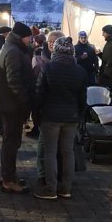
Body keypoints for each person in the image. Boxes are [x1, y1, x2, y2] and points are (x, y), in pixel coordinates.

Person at [33, 37, 86, 200]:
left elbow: (39, 93)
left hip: (50, 117)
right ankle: (66, 188)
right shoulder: (80, 71)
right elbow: (82, 98)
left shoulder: (48, 68)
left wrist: (36, 114)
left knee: (50, 152)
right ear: (72, 52)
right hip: (71, 117)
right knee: (68, 152)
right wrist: (79, 116)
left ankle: (51, 189)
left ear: (55, 50)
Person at [0, 22, 34, 194]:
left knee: (11, 142)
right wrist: (25, 100)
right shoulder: (13, 51)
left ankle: (9, 176)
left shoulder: (11, 48)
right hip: (12, 105)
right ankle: (8, 180)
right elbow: (14, 81)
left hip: (9, 103)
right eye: (29, 37)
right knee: (11, 143)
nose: (30, 40)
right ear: (21, 37)